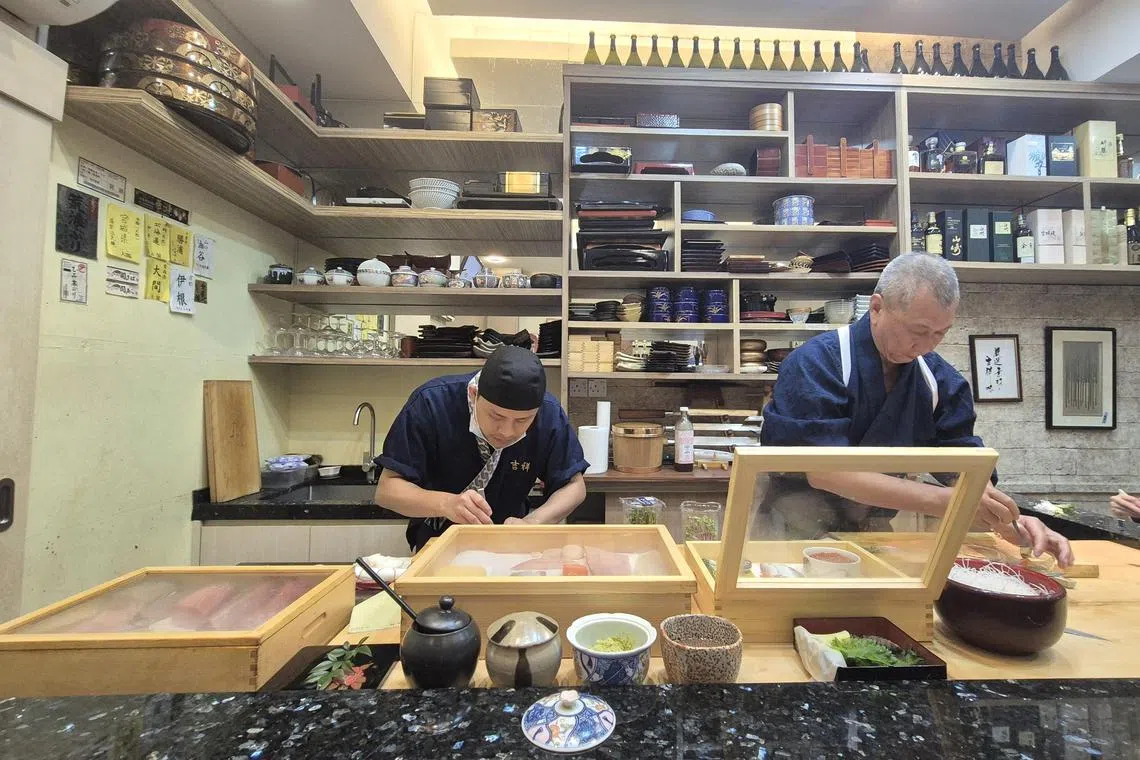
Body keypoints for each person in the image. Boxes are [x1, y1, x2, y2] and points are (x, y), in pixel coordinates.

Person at [760, 253, 1073, 567]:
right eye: (919, 331)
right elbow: (826, 471)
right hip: (791, 531)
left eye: (941, 333)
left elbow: (965, 470)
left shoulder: (938, 380)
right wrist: (953, 503)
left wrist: (1009, 522)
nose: (928, 345)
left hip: (872, 535)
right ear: (877, 308)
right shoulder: (817, 362)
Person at [375, 345, 588, 551]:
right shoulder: (432, 402)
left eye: (522, 421)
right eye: (496, 416)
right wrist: (446, 504)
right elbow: (387, 490)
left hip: (513, 545)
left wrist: (533, 522)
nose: (506, 431)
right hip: (438, 543)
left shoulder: (549, 413)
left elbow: (574, 486)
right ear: (474, 393)